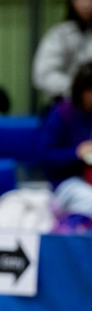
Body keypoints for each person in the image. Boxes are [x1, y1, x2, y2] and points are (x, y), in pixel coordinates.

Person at [39, 62, 92, 217]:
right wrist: (77, 153)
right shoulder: (62, 113)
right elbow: (45, 156)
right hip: (68, 183)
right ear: (81, 90)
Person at [33, 0, 92, 101]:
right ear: (71, 2)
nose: (85, 3)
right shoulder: (60, 34)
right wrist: (76, 90)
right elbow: (43, 74)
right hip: (67, 100)